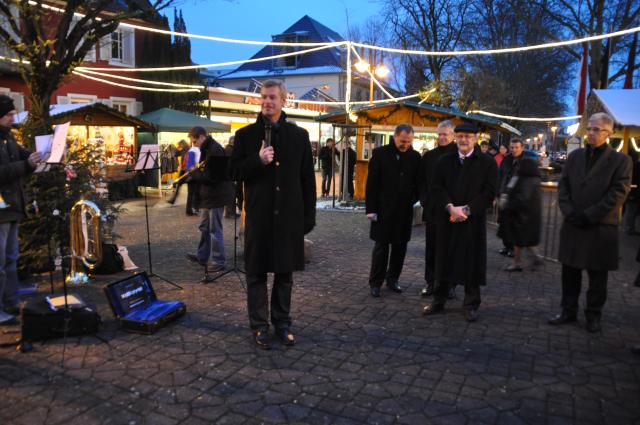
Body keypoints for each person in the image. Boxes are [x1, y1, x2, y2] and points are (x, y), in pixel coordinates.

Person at [230, 80, 316, 349]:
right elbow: (233, 172)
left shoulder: (299, 136)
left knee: (284, 274)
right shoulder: (245, 135)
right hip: (259, 216)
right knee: (256, 274)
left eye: (272, 97)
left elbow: (307, 180)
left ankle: (282, 323)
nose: (267, 101)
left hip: (289, 216)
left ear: (283, 100)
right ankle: (259, 327)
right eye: (264, 97)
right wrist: (257, 161)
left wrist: (308, 216)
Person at [549, 112, 632, 333]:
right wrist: (569, 212)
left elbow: (618, 193)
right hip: (573, 224)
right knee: (569, 273)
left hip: (600, 227)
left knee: (597, 277)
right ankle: (568, 310)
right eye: (589, 129)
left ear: (608, 133)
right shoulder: (575, 157)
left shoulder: (621, 161)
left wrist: (590, 215)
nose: (591, 133)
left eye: (596, 129)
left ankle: (593, 315)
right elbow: (563, 186)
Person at [422, 122, 497, 322]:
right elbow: (436, 187)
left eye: (468, 136)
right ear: (455, 137)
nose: (464, 140)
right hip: (447, 219)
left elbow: (489, 192)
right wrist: (450, 207)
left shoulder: (487, 162)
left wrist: (466, 210)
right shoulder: (444, 161)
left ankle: (471, 304)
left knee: (471, 261)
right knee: (443, 259)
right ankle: (439, 300)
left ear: (476, 138)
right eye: (460, 136)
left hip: (472, 222)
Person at [366, 124, 421, 297]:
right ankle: (376, 282)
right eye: (403, 141)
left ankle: (393, 280)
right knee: (381, 247)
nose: (406, 145)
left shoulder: (415, 156)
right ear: (395, 136)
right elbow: (372, 184)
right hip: (383, 210)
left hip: (404, 211)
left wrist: (412, 199)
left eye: (409, 142)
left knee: (400, 247)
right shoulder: (380, 154)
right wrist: (371, 209)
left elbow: (418, 184)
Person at [0, 95, 41, 325]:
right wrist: (26, 164)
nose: (13, 118)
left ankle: (11, 301)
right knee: (0, 262)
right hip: (1, 211)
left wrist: (39, 154)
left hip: (13, 207)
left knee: (11, 258)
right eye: (8, 114)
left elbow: (23, 155)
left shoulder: (8, 137)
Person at [185, 126, 234, 272]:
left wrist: (194, 174)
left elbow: (214, 177)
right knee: (204, 227)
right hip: (208, 196)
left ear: (202, 137)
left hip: (216, 196)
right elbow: (205, 171)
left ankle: (219, 261)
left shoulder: (215, 150)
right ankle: (202, 256)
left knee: (214, 229)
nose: (194, 145)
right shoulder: (206, 148)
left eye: (195, 141)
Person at [418, 119, 457, 297]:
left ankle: (449, 285)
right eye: (439, 134)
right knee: (432, 247)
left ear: (453, 135)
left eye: (445, 134)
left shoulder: (459, 155)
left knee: (450, 249)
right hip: (433, 209)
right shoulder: (429, 156)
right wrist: (424, 200)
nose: (442, 137)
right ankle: (431, 281)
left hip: (452, 210)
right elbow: (421, 181)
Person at [498, 157, 542, 271]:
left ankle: (518, 263)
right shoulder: (531, 178)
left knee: (518, 240)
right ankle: (536, 257)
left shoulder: (527, 180)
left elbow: (522, 198)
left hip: (522, 216)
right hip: (526, 215)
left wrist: (508, 205)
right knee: (524, 240)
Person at [497, 138, 526, 258]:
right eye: (512, 147)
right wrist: (498, 193)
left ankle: (514, 249)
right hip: (504, 195)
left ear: (522, 148)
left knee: (514, 224)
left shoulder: (526, 161)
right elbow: (500, 175)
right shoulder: (506, 159)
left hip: (516, 197)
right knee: (504, 222)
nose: (514, 150)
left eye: (517, 147)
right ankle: (506, 246)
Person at [622, 148, 639, 235]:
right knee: (631, 210)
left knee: (630, 210)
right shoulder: (636, 166)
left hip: (632, 190)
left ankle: (627, 227)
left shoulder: (632, 165)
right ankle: (628, 228)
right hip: (634, 191)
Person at [223, 137, 241, 218]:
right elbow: (232, 163)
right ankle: (231, 213)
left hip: (227, 175)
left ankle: (228, 212)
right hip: (230, 175)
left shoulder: (227, 149)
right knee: (232, 194)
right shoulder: (231, 150)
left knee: (230, 194)